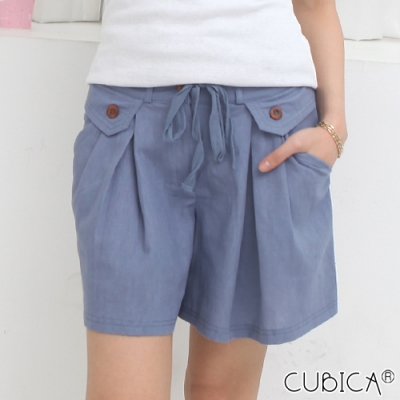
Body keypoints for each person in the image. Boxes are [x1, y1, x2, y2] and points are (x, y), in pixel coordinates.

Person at [71, 0, 348, 398]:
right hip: (128, 118)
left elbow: (315, 4)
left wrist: (334, 124)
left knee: (220, 390)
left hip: (264, 125)